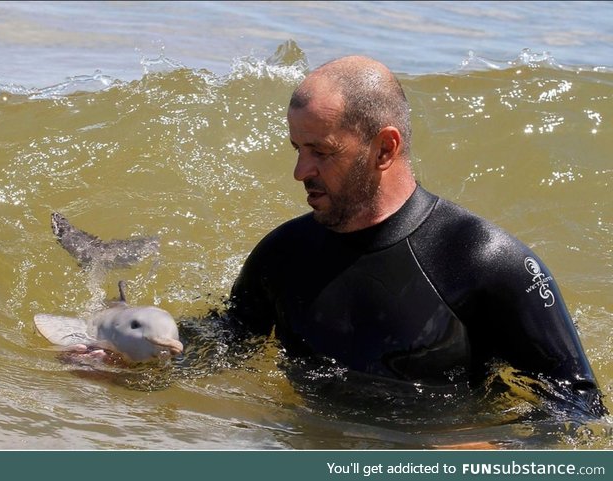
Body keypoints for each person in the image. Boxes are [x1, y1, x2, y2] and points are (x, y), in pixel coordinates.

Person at [229, 55, 605, 416]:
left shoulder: (486, 261)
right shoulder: (283, 255)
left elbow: (579, 407)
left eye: (321, 152)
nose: (300, 171)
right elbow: (223, 343)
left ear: (385, 149)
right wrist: (172, 344)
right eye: (298, 149)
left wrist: (493, 448)